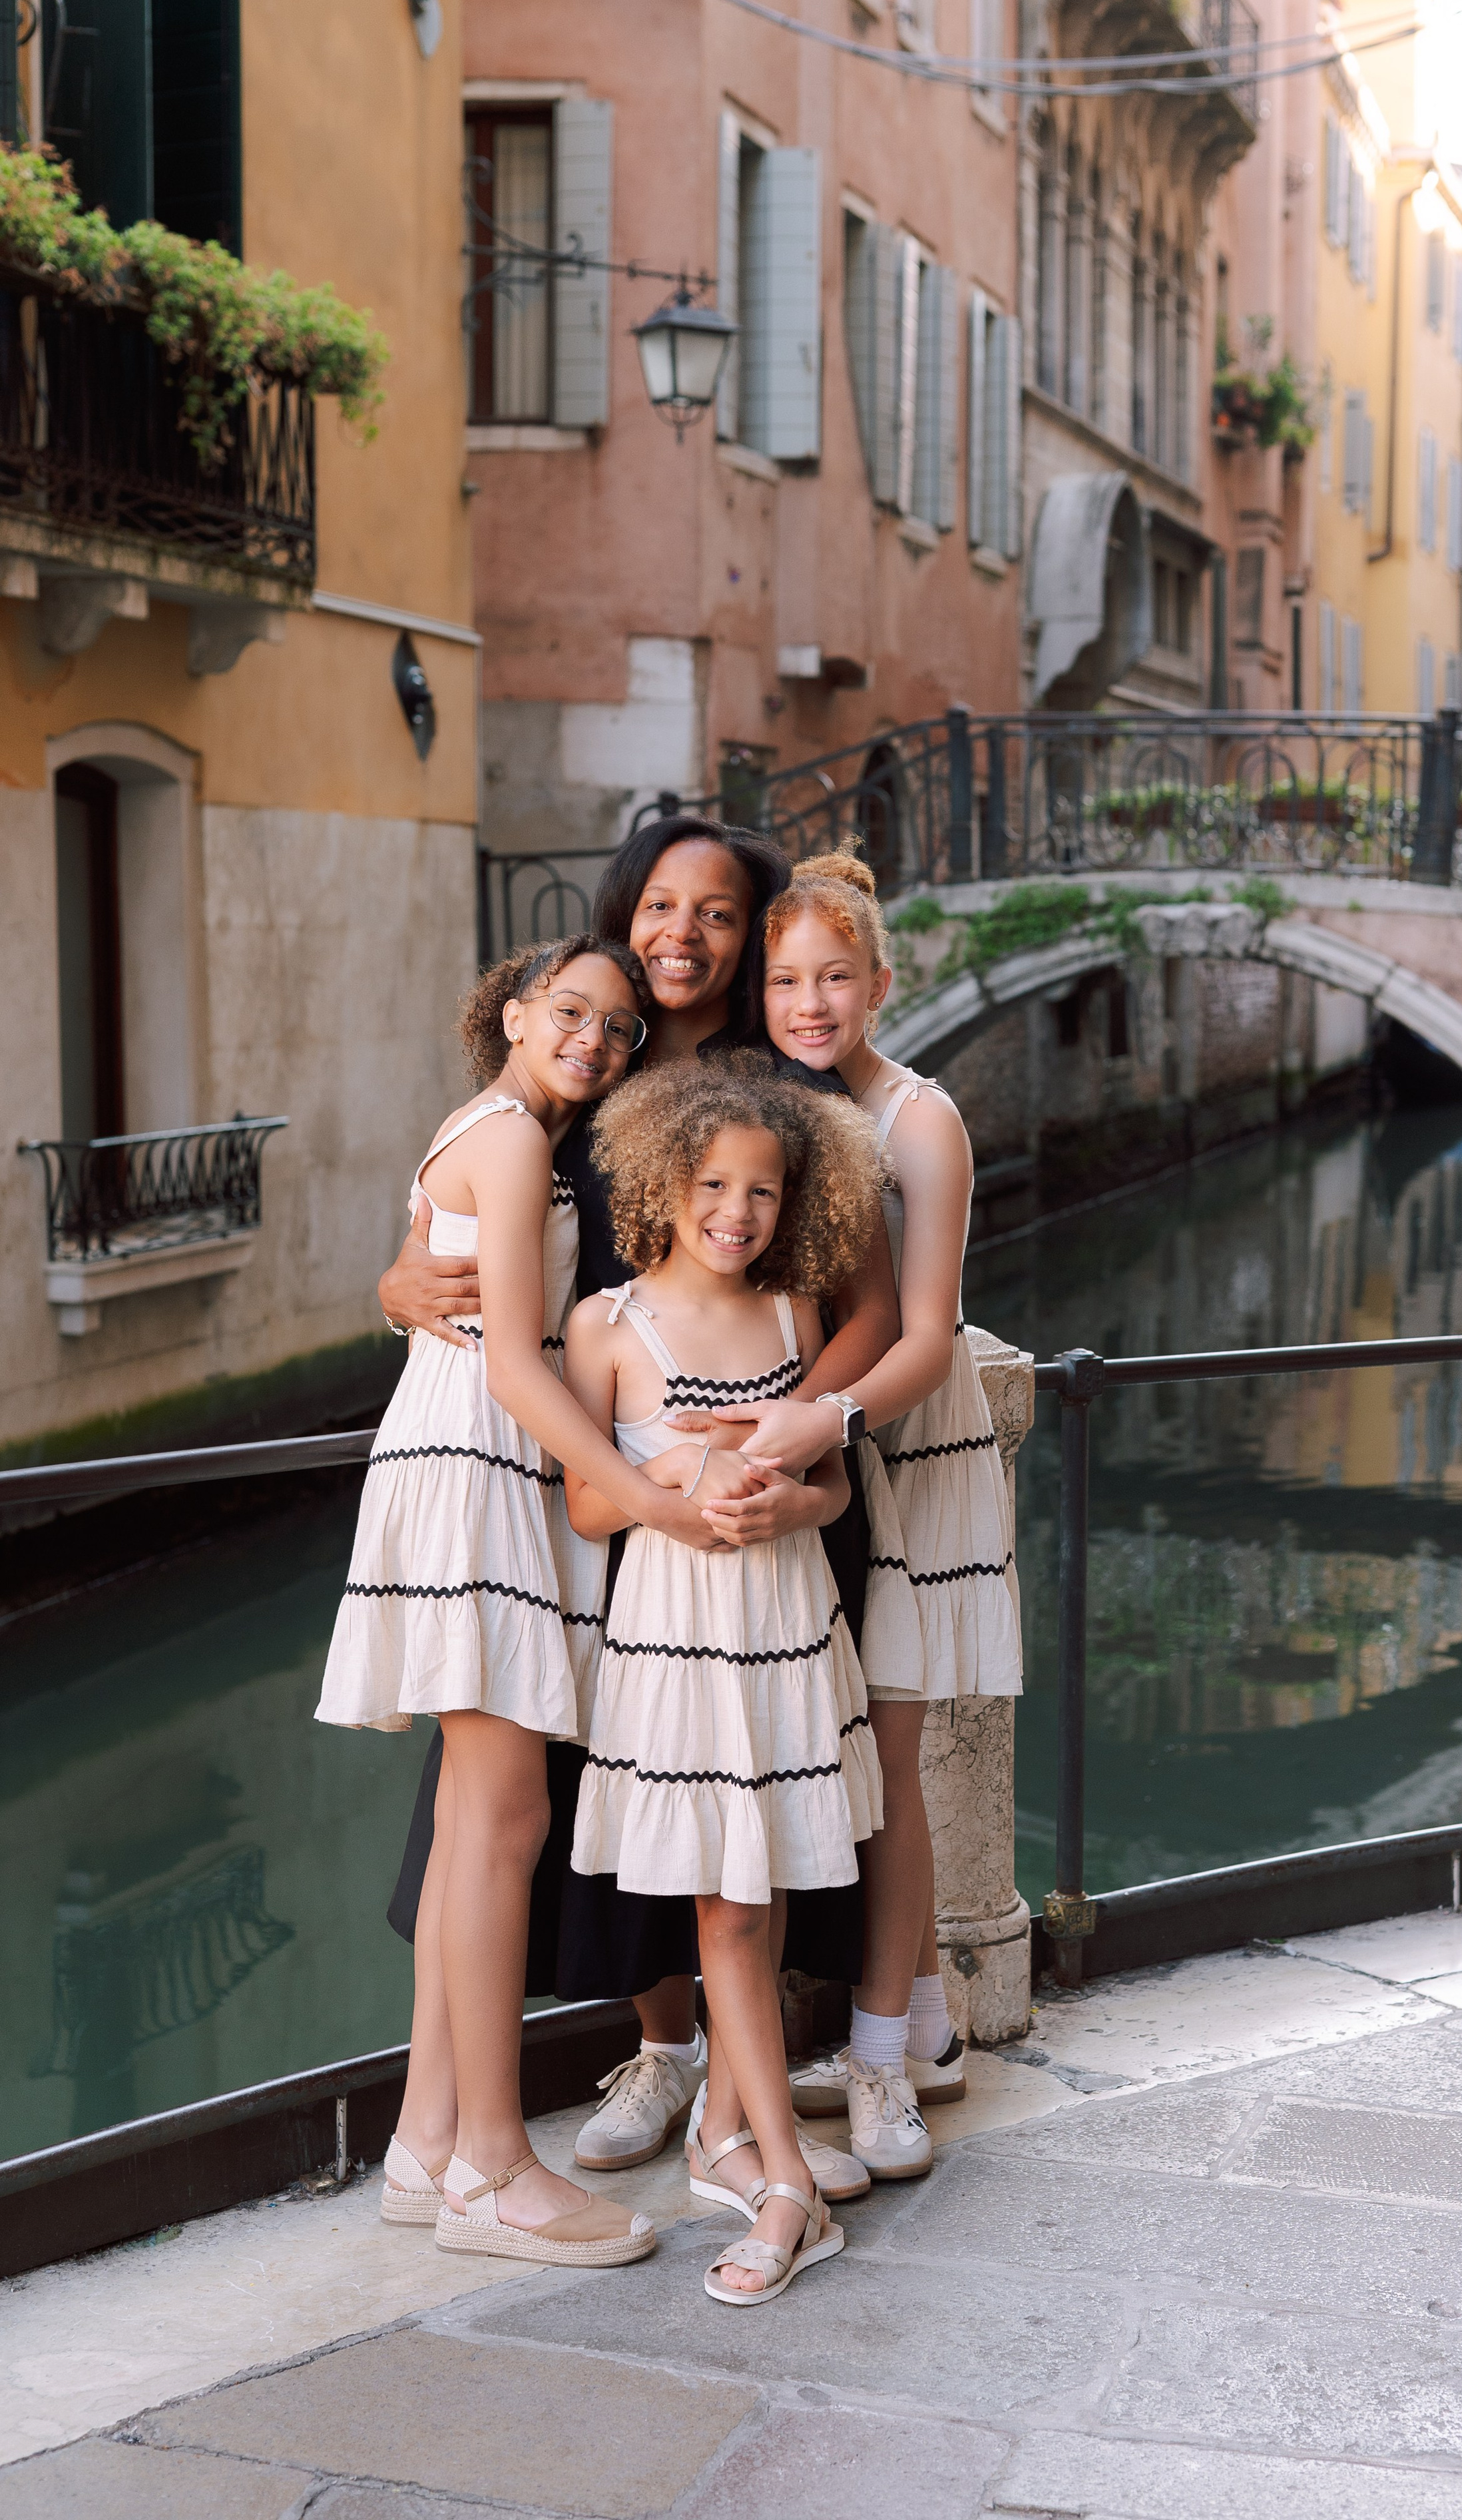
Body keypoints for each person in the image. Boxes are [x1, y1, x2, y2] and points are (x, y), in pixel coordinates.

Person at [375, 818, 899, 2179]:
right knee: (602, 1782)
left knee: (743, 1795)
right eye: (661, 905)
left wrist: (790, 1436)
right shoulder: (565, 1073)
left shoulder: (775, 1085)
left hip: (743, 1491)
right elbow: (477, 1246)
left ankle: (744, 2098)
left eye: (717, 913)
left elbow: (863, 1308)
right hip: (582, 1488)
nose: (684, 934)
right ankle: (660, 2055)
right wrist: (396, 1282)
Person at [317, 934, 709, 2269]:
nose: (595, 1038)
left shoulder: (496, 1135)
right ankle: (492, 2167)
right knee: (504, 1815)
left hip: (470, 1467)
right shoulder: (504, 1140)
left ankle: (429, 2142)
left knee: (480, 1816)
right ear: (514, 1011)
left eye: (615, 1028)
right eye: (571, 1011)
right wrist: (631, 1489)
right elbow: (513, 1368)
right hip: (480, 1465)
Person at [688, 850, 1022, 2182]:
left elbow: (929, 1337)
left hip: (912, 1454)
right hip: (844, 1463)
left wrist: (811, 1420)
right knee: (863, 1760)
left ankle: (882, 2057)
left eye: (834, 976)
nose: (810, 998)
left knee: (884, 1767)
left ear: (880, 984)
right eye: (785, 978)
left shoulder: (915, 1118)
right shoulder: (776, 1107)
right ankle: (923, 2019)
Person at [563, 1060, 883, 2303]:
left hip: (786, 1627)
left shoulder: (799, 1317)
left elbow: (837, 1491)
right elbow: (590, 1504)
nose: (737, 1212)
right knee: (725, 1908)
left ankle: (736, 2141)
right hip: (676, 1642)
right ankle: (786, 2180)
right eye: (712, 1184)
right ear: (664, 1180)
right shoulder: (607, 1327)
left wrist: (785, 1501)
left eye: (764, 1189)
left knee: (763, 1888)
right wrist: (687, 1501)